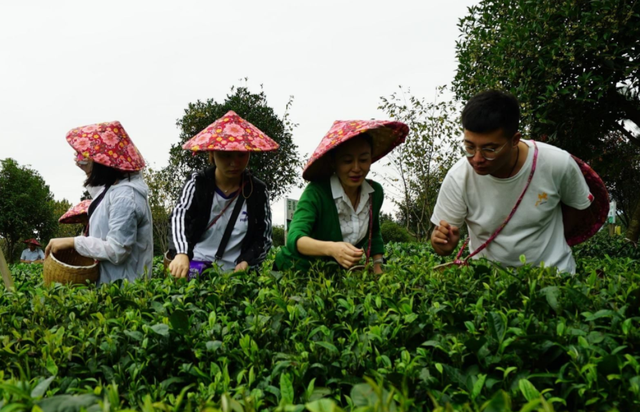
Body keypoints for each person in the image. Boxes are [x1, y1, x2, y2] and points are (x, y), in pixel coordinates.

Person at [430, 90, 599, 274]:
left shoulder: (557, 164)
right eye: (470, 147)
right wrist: (443, 244)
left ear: (514, 140)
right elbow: (442, 246)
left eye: (490, 149)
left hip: (554, 278)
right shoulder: (458, 177)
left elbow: (577, 208)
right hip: (488, 284)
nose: (477, 158)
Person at [274, 119, 409, 274]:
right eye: (347, 161)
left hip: (336, 275)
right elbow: (295, 238)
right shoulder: (316, 192)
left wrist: (378, 265)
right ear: (334, 162)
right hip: (296, 271)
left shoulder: (374, 192)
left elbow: (374, 232)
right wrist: (331, 249)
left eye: (364, 160)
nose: (357, 168)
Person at [167, 110, 278, 279]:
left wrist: (247, 261)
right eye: (226, 155)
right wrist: (182, 253)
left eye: (241, 154)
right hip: (194, 270)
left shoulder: (257, 191)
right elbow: (179, 217)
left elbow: (264, 238)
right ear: (212, 154)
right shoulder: (198, 183)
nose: (234, 163)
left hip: (235, 277)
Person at [45, 121, 153, 284]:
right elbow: (101, 201)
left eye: (92, 158)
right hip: (111, 284)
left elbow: (117, 250)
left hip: (123, 291)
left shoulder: (125, 197)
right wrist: (87, 168)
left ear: (104, 164)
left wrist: (73, 242)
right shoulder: (114, 189)